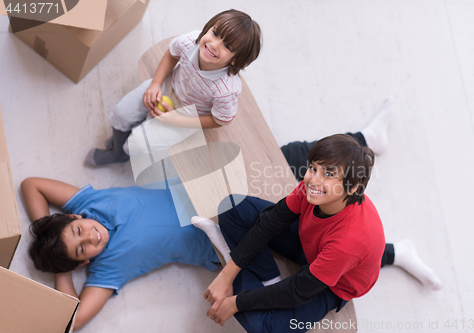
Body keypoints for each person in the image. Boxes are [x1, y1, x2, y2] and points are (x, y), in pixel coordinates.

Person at [191, 98, 442, 332]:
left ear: (353, 188)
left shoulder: (346, 244)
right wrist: (227, 274)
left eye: (328, 174)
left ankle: (231, 254)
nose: (313, 179)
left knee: (263, 326)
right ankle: (267, 277)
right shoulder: (313, 188)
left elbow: (297, 290)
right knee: (232, 207)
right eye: (313, 168)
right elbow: (272, 221)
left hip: (333, 284)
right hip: (310, 243)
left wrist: (236, 302)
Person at [21, 177, 220, 330]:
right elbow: (74, 319)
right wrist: (62, 267)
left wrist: (46, 229)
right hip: (222, 237)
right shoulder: (107, 268)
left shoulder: (90, 203)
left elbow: (31, 185)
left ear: (73, 217)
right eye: (81, 249)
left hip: (202, 183)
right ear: (81, 263)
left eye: (79, 230)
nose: (91, 237)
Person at [85, 9, 262, 166]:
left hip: (188, 114)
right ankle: (118, 148)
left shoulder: (227, 90)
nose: (214, 45)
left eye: (227, 46)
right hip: (167, 85)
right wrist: (155, 83)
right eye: (215, 33)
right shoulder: (190, 41)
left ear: (235, 60)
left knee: (136, 145)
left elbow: (221, 120)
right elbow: (172, 54)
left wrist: (177, 120)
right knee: (122, 113)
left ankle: (121, 153)